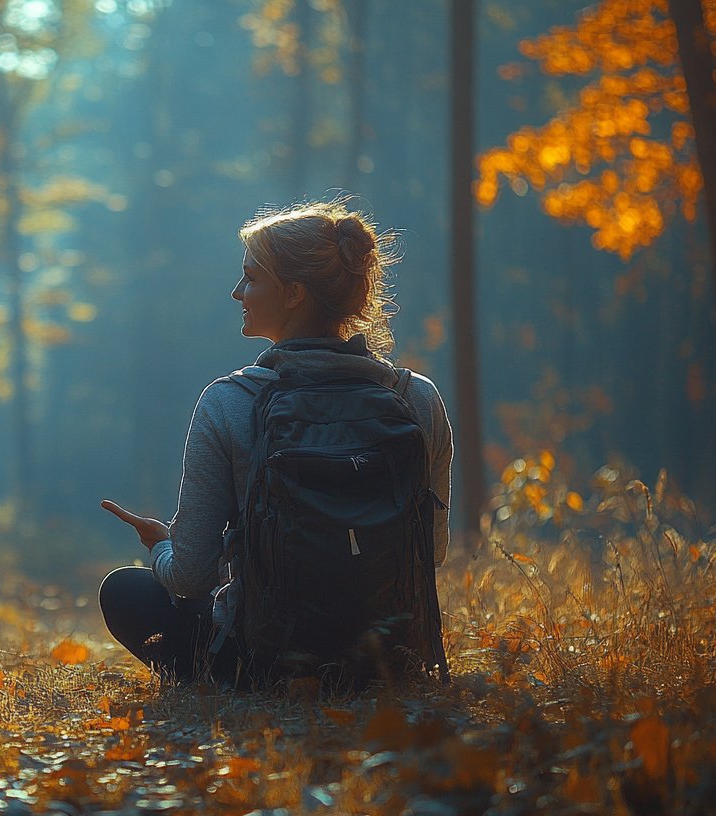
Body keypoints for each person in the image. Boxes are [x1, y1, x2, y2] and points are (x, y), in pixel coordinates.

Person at [99, 199, 452, 685]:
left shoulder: (229, 402)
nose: (236, 291)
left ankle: (236, 683)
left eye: (250, 277)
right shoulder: (417, 397)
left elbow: (191, 578)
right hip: (390, 661)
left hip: (265, 664)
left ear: (292, 294)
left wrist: (163, 547)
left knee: (125, 591)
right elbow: (429, 553)